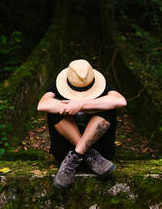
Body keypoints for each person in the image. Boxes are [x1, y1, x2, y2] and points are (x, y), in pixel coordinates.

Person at [37, 59, 127, 189]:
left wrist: (81, 105)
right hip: (67, 156)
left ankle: (78, 153)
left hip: (102, 156)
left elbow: (120, 101)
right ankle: (86, 154)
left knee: (108, 109)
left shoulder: (103, 86)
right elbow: (42, 105)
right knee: (54, 111)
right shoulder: (55, 86)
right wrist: (65, 106)